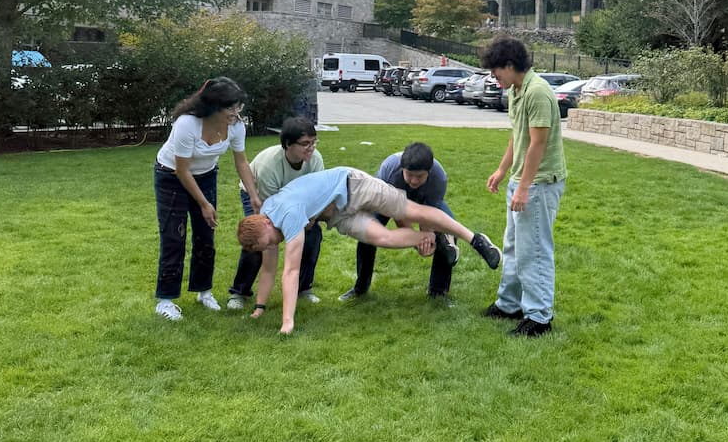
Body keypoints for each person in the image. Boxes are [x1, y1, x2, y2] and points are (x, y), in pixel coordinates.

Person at [236, 166, 502, 335]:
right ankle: (433, 235)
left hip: (353, 185)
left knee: (411, 210)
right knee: (383, 238)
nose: (271, 246)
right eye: (265, 246)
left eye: (268, 241)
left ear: (267, 223)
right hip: (336, 214)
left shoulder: (288, 215)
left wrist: (287, 322)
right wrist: (259, 306)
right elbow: (269, 268)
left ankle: (474, 238)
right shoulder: (266, 220)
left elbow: (290, 271)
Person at [153, 76, 261, 321]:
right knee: (174, 236)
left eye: (238, 107)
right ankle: (166, 300)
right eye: (231, 108)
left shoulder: (235, 127)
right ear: (213, 107)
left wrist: (253, 194)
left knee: (206, 236)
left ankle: (204, 291)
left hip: (206, 175)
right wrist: (203, 204)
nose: (236, 113)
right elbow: (182, 170)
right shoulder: (187, 125)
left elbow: (241, 161)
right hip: (171, 176)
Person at [481, 37, 566, 337]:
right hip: (522, 181)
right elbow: (517, 137)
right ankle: (509, 304)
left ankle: (539, 317)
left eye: (496, 72)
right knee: (514, 246)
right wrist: (503, 171)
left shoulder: (538, 92)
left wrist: (524, 188)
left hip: (539, 184)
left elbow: (538, 144)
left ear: (510, 65)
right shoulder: (517, 91)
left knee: (535, 251)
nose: (494, 78)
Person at [339, 142, 458, 302]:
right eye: (409, 175)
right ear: (402, 169)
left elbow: (429, 216)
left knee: (450, 232)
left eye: (420, 176)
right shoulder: (390, 172)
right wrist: (417, 242)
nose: (414, 181)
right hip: (384, 201)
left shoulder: (439, 178)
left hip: (423, 200)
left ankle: (438, 292)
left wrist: (428, 238)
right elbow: (398, 215)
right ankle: (360, 288)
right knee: (366, 231)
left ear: (428, 172)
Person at [228, 116, 324, 311]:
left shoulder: (316, 159)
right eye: (305, 143)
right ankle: (240, 291)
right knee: (259, 240)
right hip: (258, 196)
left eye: (314, 142)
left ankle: (304, 288)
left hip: (297, 199)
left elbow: (318, 194)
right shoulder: (269, 165)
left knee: (313, 235)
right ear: (288, 144)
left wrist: (310, 218)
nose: (311, 148)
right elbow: (270, 211)